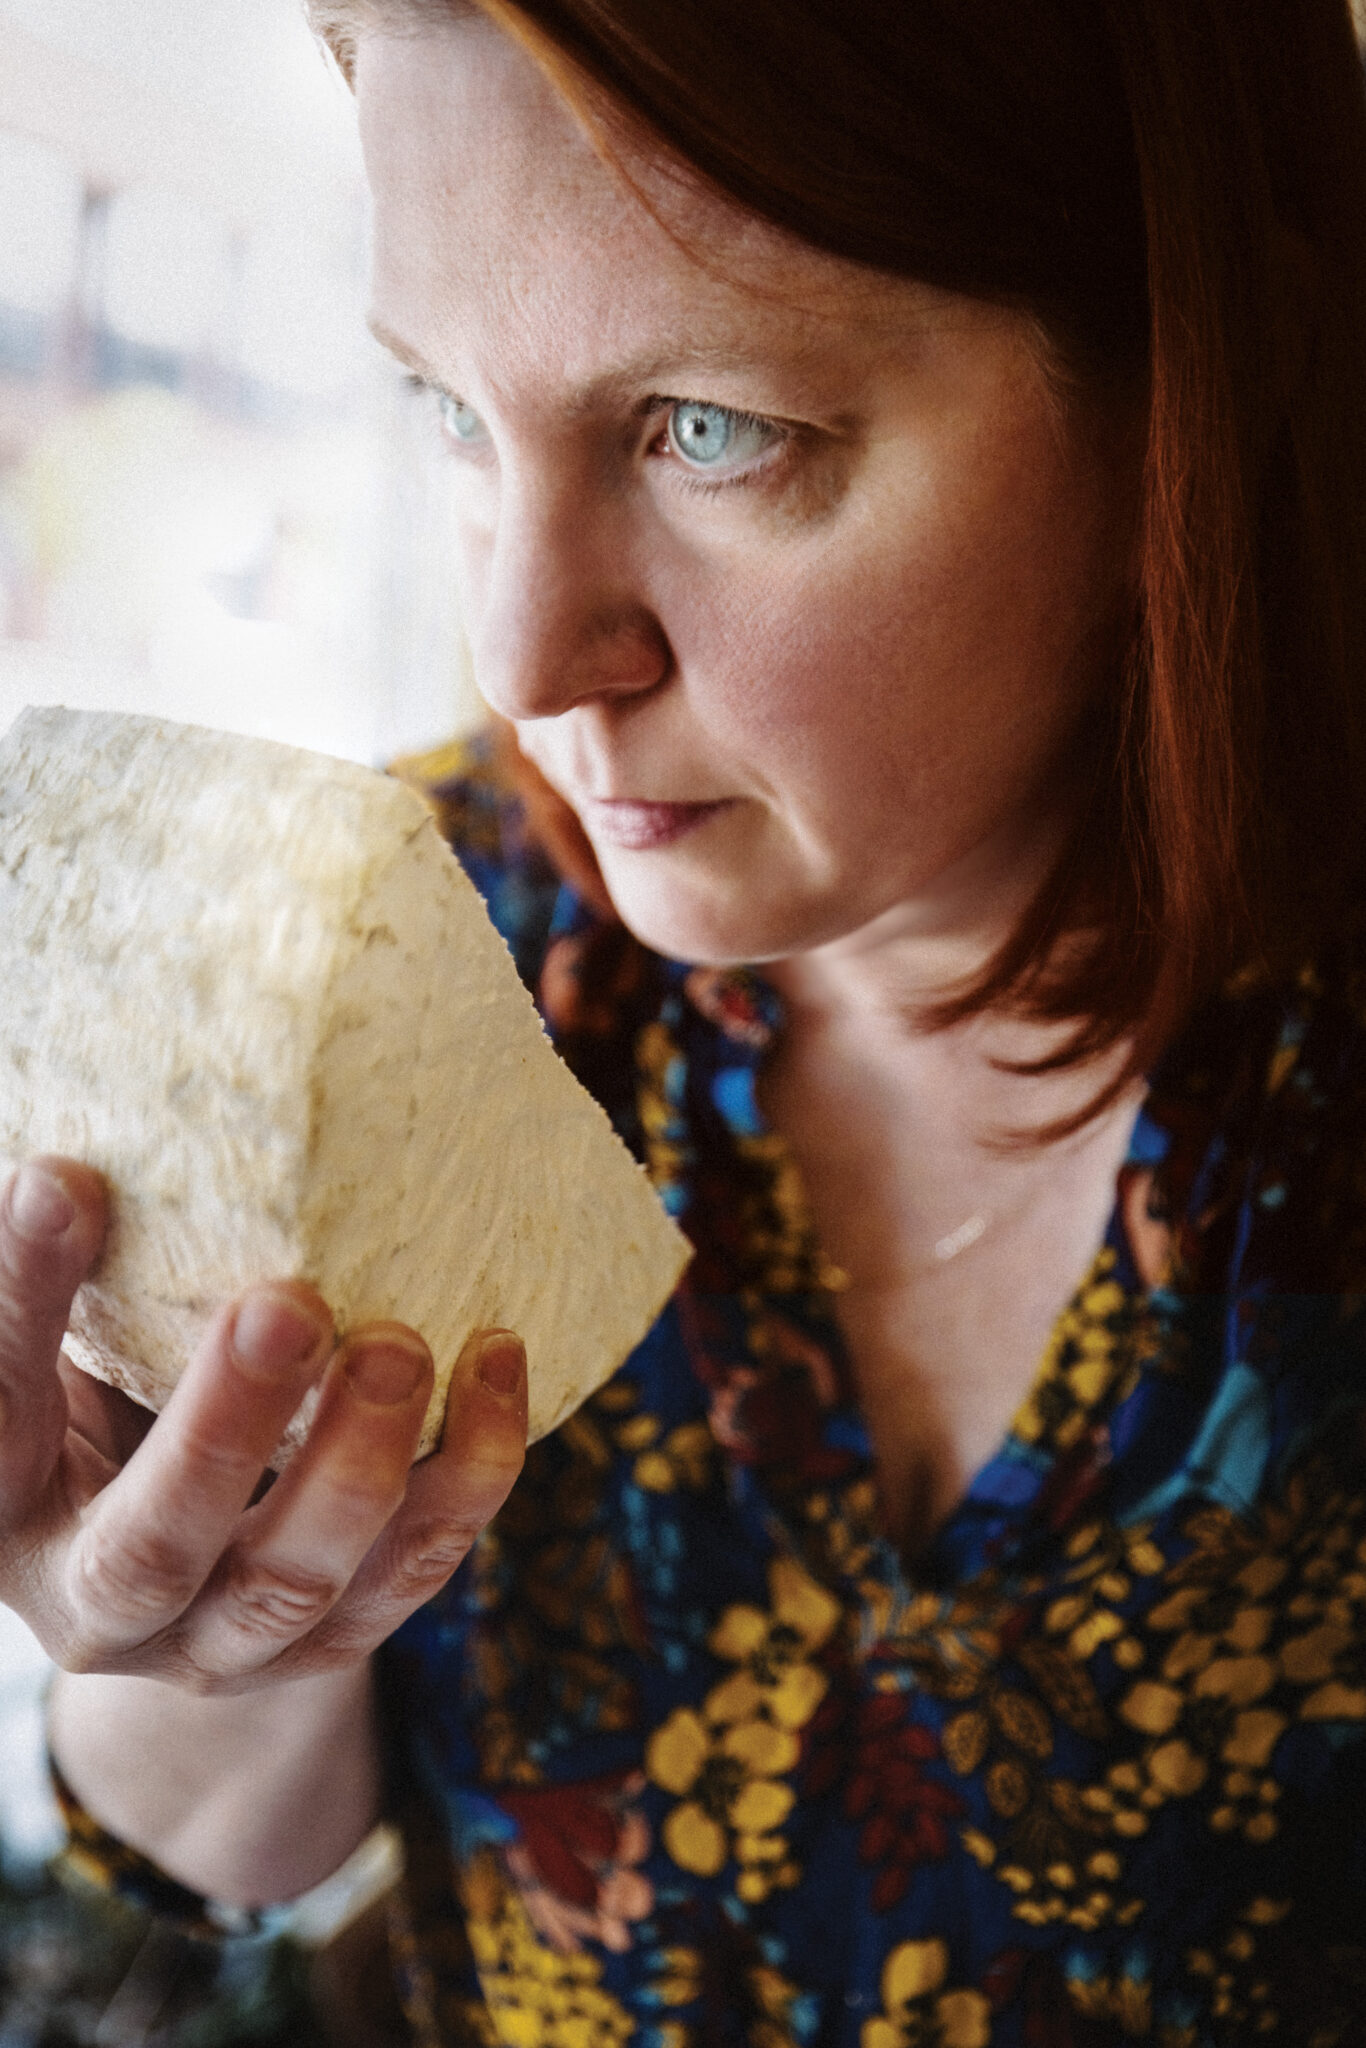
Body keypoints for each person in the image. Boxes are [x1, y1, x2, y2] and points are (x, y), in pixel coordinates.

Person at [3, 0, 1366, 2039]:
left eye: (710, 428)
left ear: (1193, 384)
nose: (521, 653)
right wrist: (213, 1620)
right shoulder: (395, 959)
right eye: (445, 406)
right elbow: (221, 1857)